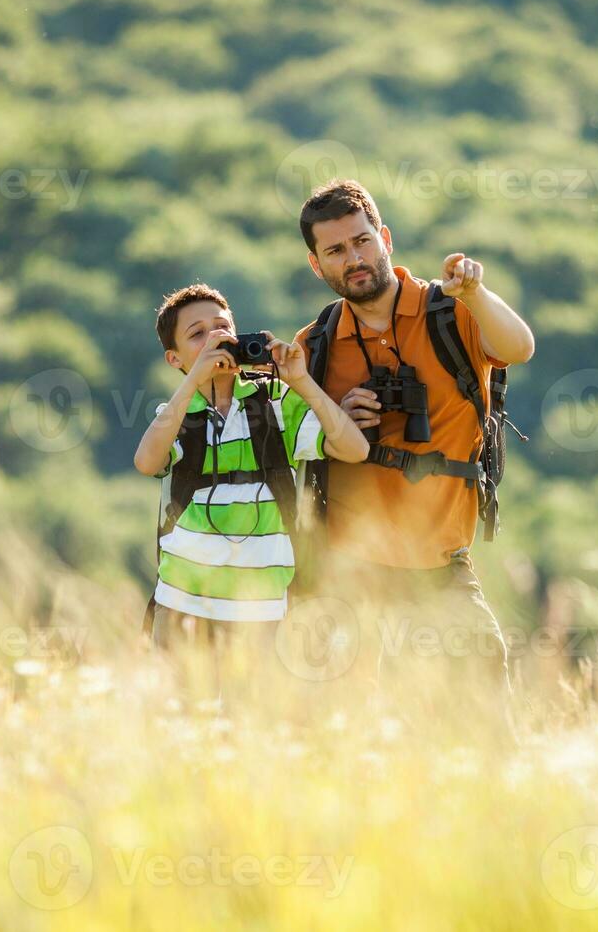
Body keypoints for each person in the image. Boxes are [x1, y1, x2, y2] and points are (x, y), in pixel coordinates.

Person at [291, 180, 535, 707]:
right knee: (349, 741)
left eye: (361, 242)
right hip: (348, 573)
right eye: (335, 251)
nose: (353, 258)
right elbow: (291, 443)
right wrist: (338, 423)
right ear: (317, 265)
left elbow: (518, 347)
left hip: (439, 565)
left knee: (483, 719)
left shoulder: (449, 312)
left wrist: (475, 292)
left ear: (385, 237)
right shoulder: (314, 347)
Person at [133, 283, 368, 663]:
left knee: (255, 720)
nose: (215, 338)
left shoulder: (276, 404)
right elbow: (146, 462)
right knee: (183, 719)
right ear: (174, 359)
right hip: (182, 602)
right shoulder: (178, 414)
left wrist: (300, 381)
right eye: (198, 335)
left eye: (222, 327)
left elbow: (355, 449)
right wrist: (194, 382)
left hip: (263, 608)